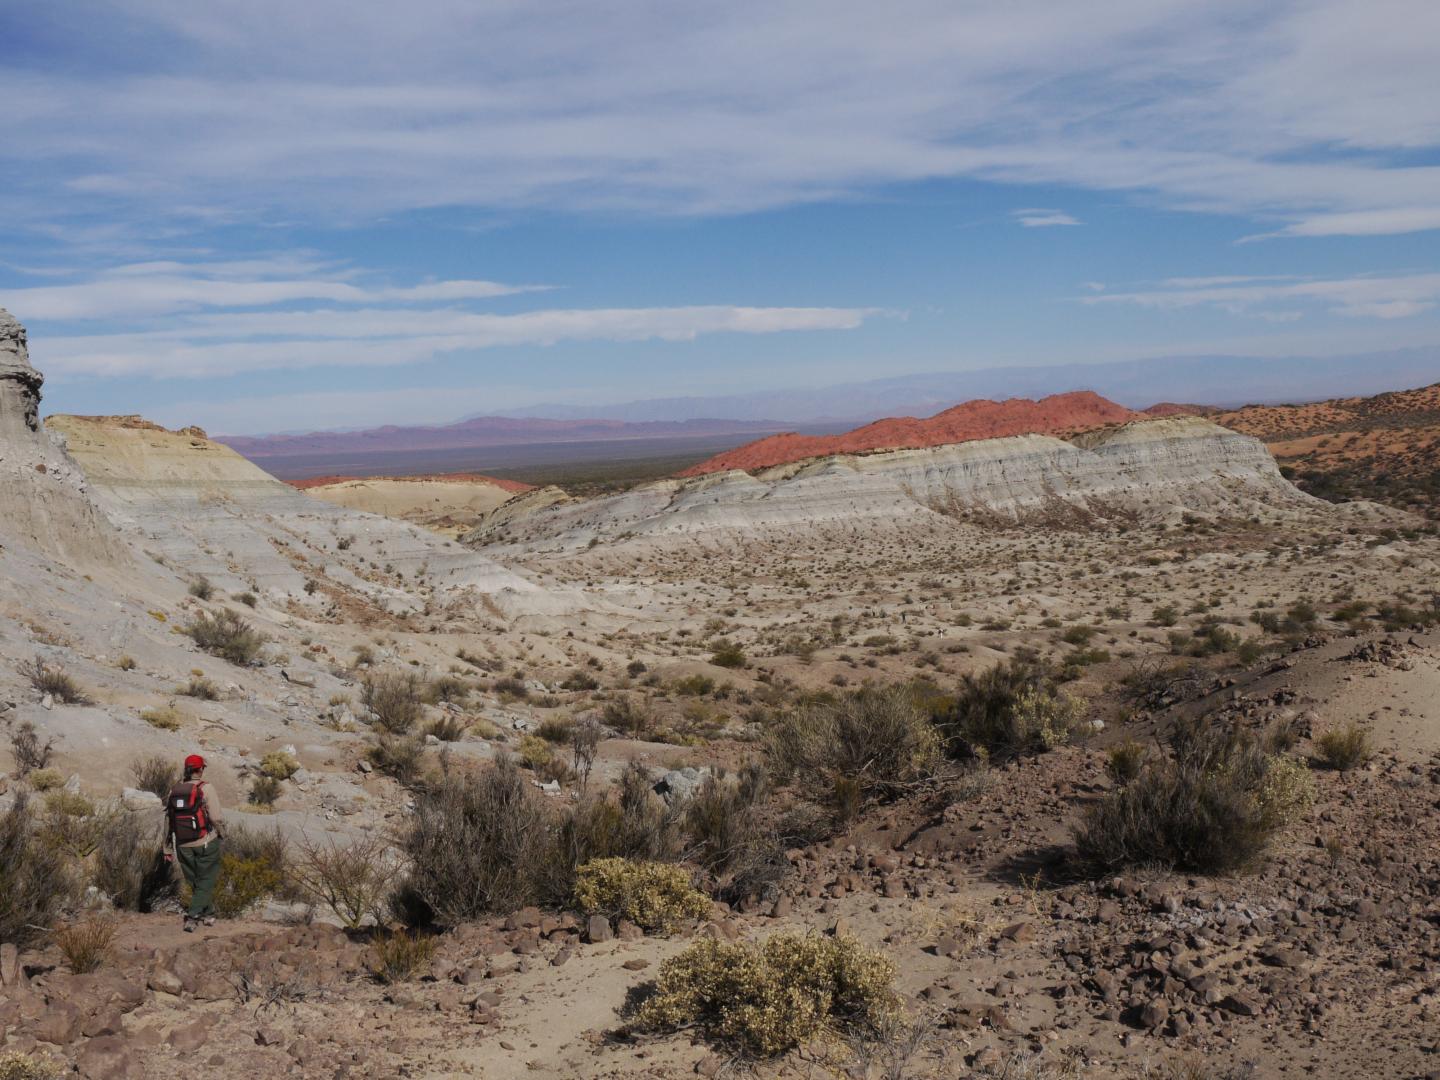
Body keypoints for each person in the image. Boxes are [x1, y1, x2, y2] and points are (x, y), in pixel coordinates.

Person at [165, 753, 223, 932]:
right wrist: (222, 833)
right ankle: (193, 917)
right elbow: (215, 817)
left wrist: (167, 848)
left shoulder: (174, 790)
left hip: (182, 845)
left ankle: (208, 913)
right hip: (205, 842)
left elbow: (168, 821)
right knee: (206, 880)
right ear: (200, 769)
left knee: (196, 882)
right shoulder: (207, 788)